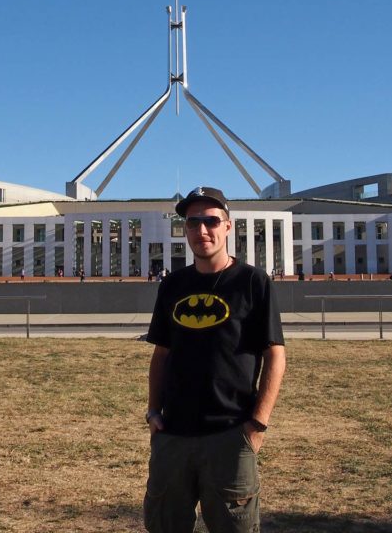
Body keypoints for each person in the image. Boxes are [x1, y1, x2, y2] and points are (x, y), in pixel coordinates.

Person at [143, 186, 286, 533]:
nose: (202, 230)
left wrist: (257, 424)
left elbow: (275, 354)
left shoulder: (253, 282)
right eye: (193, 223)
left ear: (227, 226)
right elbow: (161, 353)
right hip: (174, 434)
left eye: (211, 221)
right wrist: (153, 413)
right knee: (164, 524)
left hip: (231, 433)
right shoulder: (173, 285)